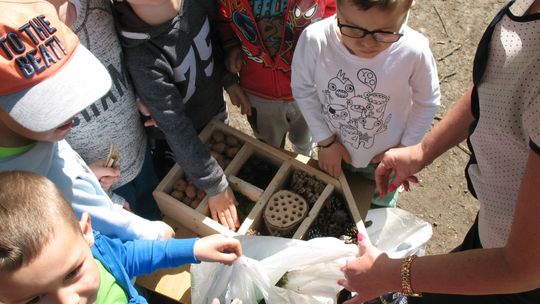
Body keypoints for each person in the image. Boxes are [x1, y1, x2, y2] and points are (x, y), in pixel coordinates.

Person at [338, 0, 540, 303]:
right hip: (497, 228)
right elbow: (493, 85)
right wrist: (423, 151)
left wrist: (390, 275)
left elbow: (521, 267)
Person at [0, 0, 173, 241]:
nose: (71, 111)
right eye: (48, 103)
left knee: (150, 207)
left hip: (135, 154)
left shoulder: (52, 14)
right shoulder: (20, 181)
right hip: (104, 193)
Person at [0, 170, 242, 304]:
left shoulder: (97, 251)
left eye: (72, 273)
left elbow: (125, 257)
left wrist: (193, 249)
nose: (69, 302)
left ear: (86, 233)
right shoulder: (74, 252)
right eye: (34, 300)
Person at [291, 0, 440, 207]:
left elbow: (428, 101)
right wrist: (325, 141)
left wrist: (405, 148)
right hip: (335, 148)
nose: (368, 43)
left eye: (385, 32)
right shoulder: (315, 39)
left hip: (387, 155)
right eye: (353, 28)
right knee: (335, 201)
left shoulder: (415, 51)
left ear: (409, 8)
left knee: (379, 204)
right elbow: (302, 88)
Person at [113, 0, 242, 231]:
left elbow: (212, 39)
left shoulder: (196, 4)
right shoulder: (142, 55)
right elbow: (175, 127)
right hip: (174, 140)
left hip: (214, 112)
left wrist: (228, 79)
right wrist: (215, 185)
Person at [45, 0, 163, 220]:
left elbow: (126, 52)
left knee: (155, 215)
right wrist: (82, 178)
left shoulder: (97, 6)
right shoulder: (19, 52)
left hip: (139, 150)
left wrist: (143, 94)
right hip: (98, 185)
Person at [216, 0, 336, 156]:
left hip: (307, 91)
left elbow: (334, 12)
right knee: (269, 149)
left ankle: (305, 155)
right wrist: (231, 46)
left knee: (304, 140)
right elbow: (222, 18)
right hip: (259, 93)